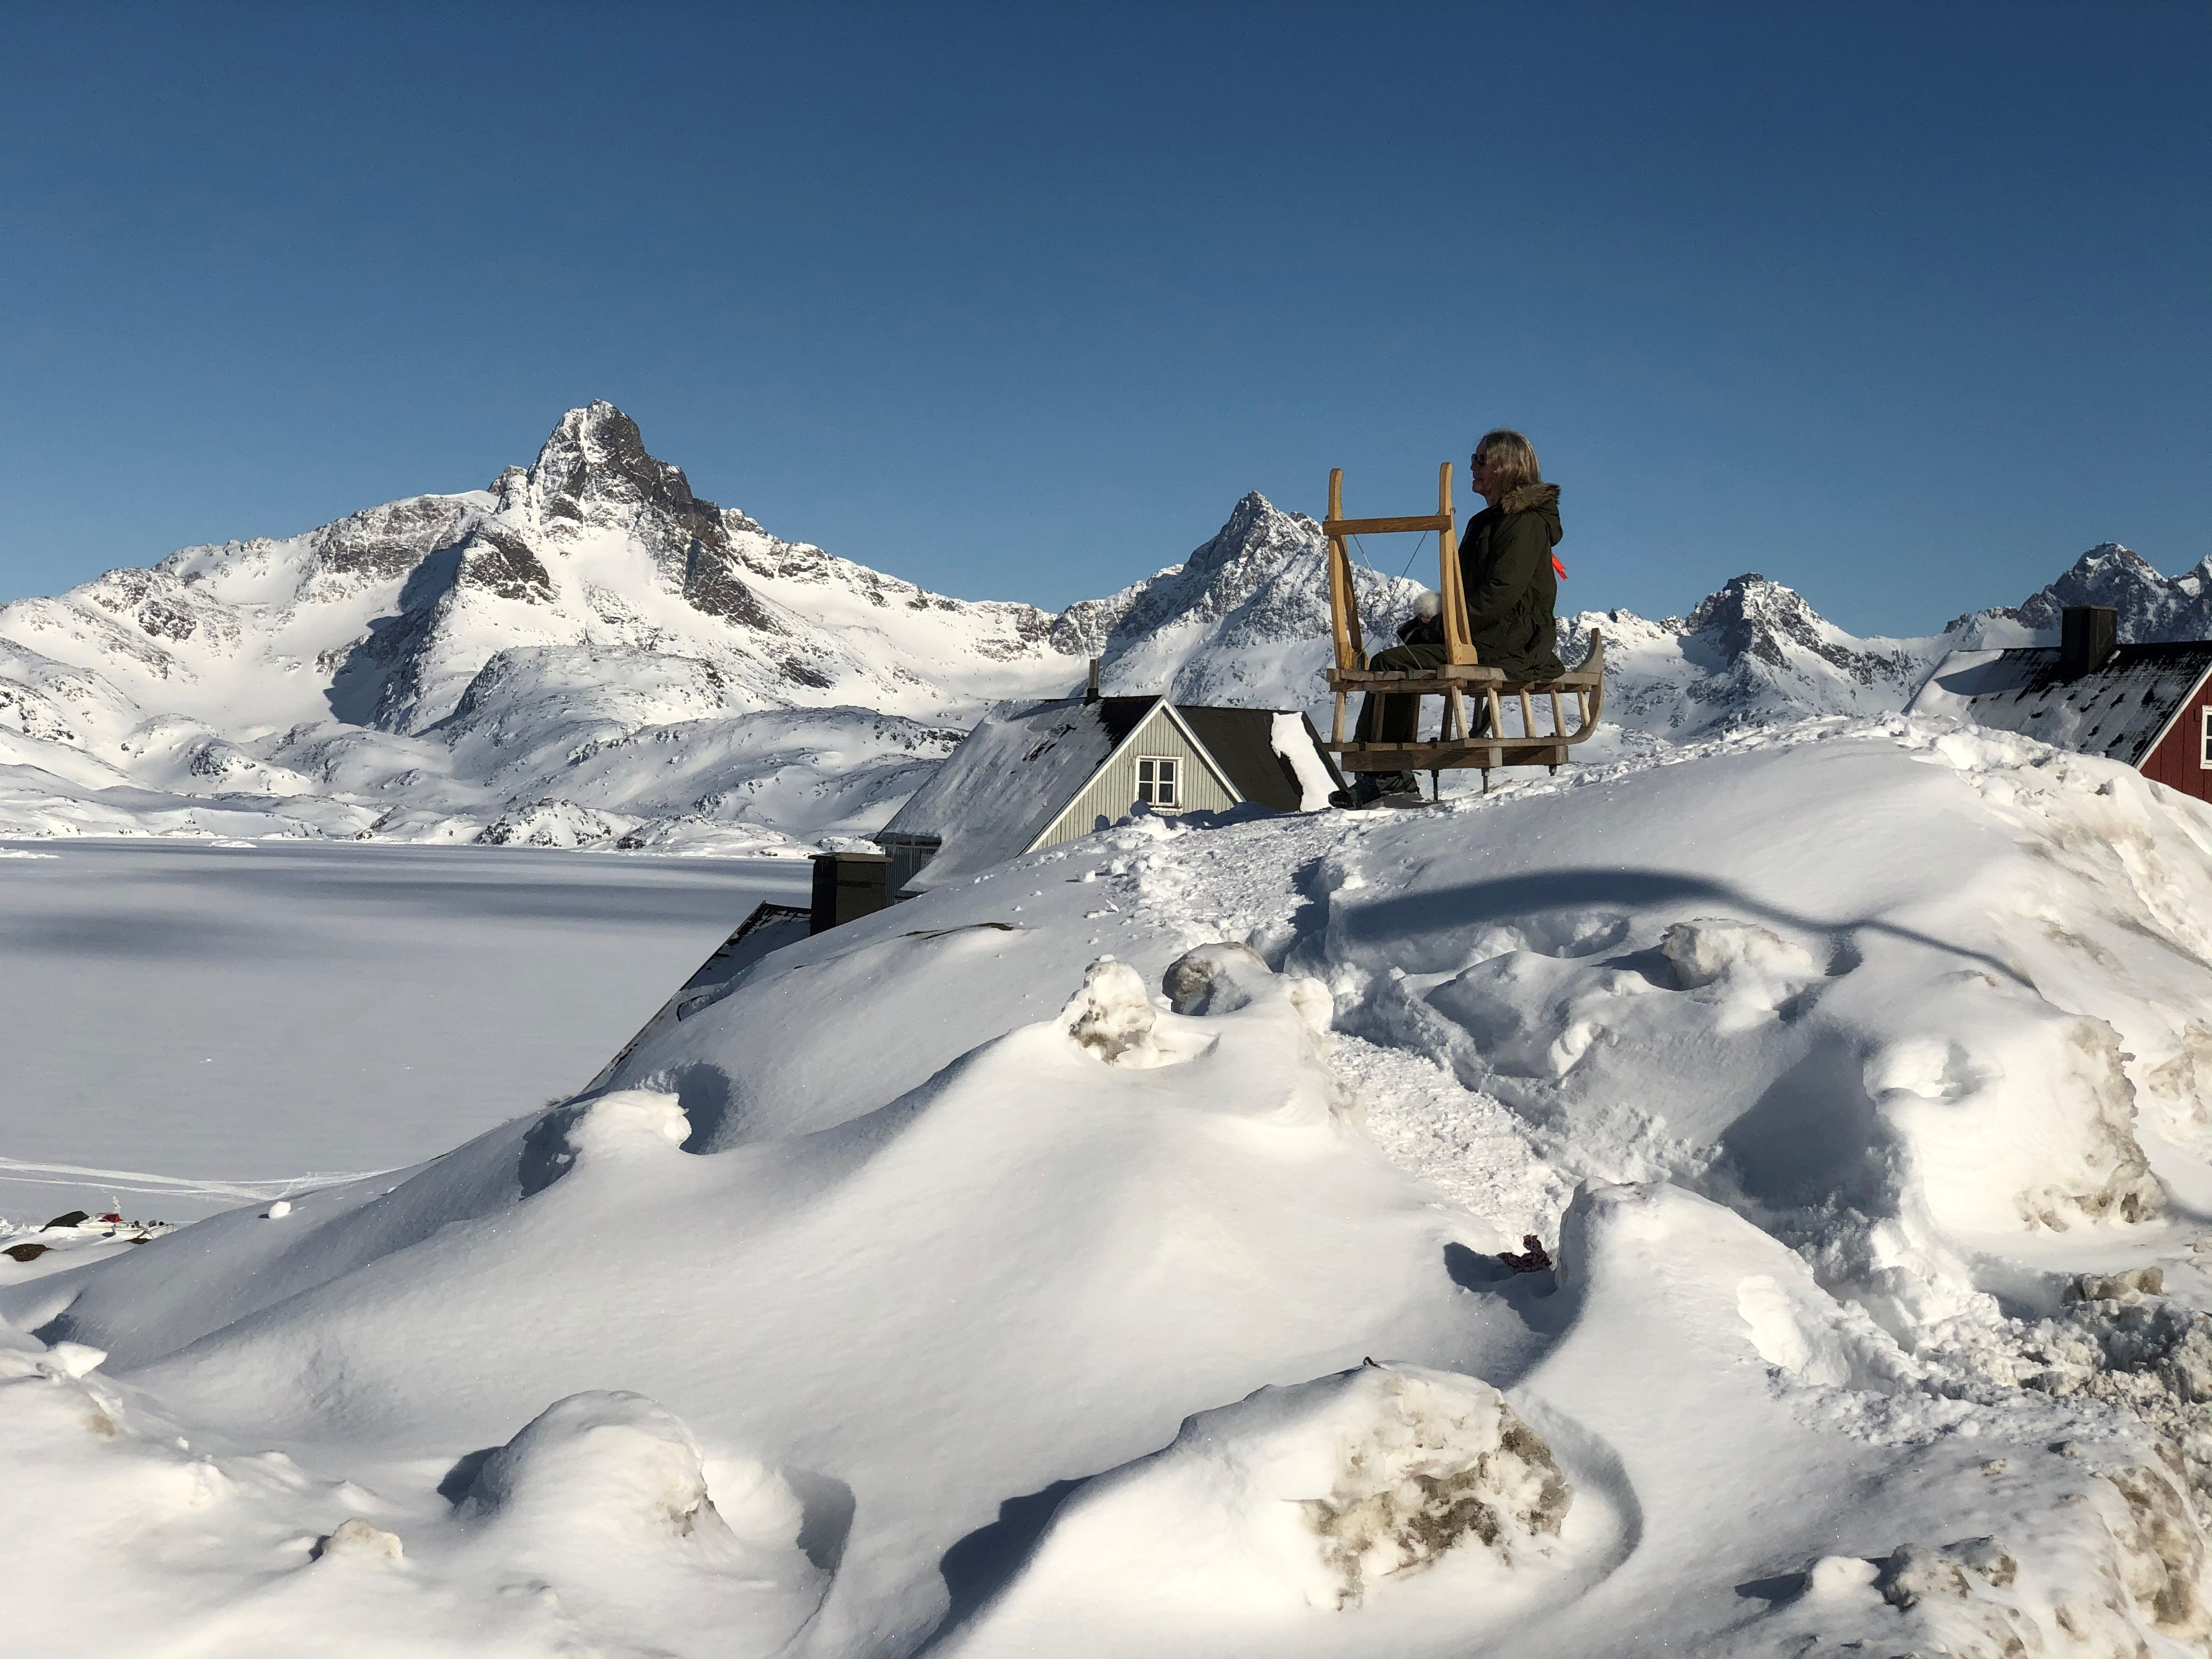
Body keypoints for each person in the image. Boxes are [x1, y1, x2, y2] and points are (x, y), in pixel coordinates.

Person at [1331, 429, 1565, 808]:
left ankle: (1386, 777)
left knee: (1390, 663)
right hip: (1492, 632)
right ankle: (1386, 774)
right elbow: (1472, 592)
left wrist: (1442, 627)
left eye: (1480, 460)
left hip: (1510, 640)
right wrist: (1434, 621)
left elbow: (1497, 596)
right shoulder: (1495, 521)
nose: (1473, 465)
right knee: (1401, 655)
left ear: (1505, 467)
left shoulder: (1523, 523)